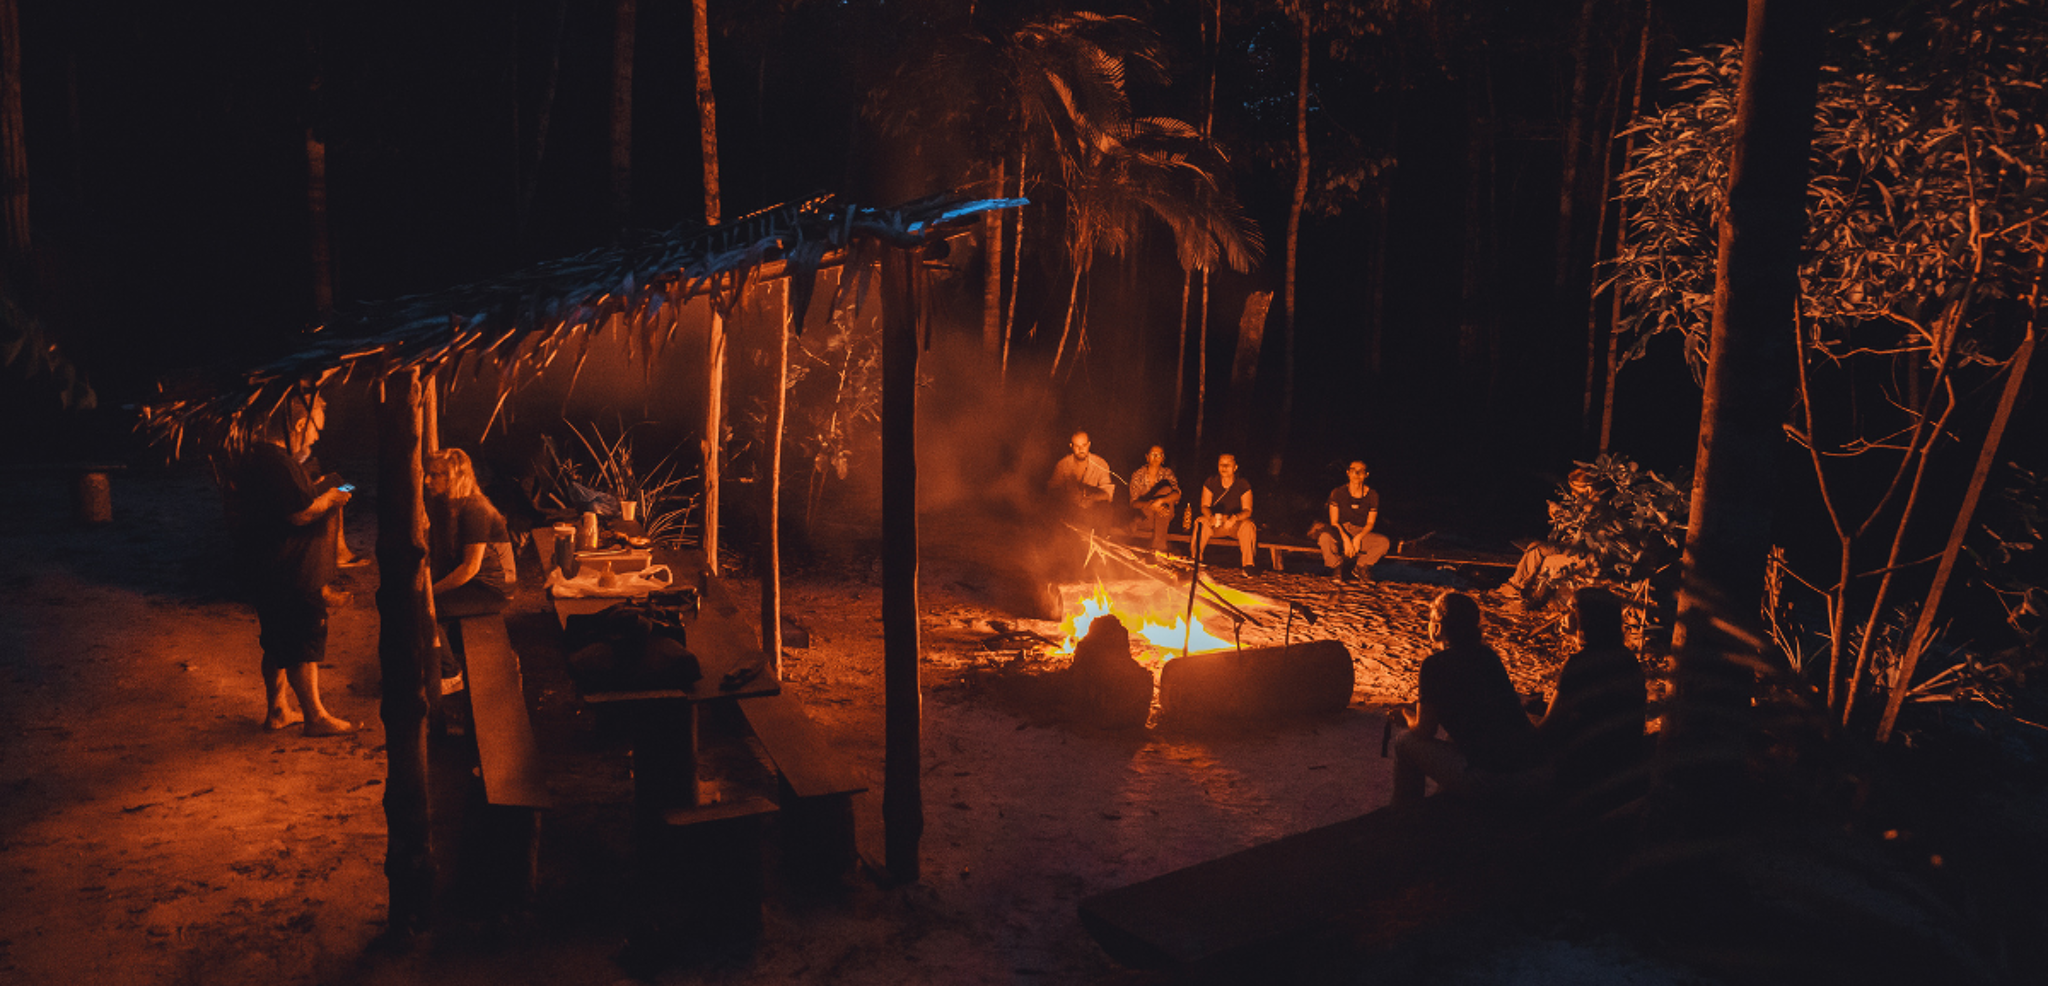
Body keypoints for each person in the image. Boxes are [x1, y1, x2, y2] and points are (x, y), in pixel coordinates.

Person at [229, 393, 357, 736]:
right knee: (303, 642)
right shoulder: (277, 463)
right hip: (292, 571)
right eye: (315, 430)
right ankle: (316, 717)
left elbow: (287, 503)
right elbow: (298, 514)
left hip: (268, 568)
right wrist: (331, 497)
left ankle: (278, 710)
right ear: (300, 424)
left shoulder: (261, 456)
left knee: (276, 641)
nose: (316, 438)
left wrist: (323, 488)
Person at [1390, 591, 1543, 804]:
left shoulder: (1434, 665)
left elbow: (1425, 729)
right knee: (1452, 740)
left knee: (1404, 742)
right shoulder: (1488, 657)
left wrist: (1405, 714)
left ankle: (1403, 815)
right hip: (1532, 773)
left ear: (1438, 626)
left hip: (1494, 781)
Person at [1535, 587, 1648, 805]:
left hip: (1587, 768)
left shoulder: (1580, 664)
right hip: (1624, 761)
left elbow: (1550, 726)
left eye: (1571, 609)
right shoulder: (1627, 659)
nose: (1565, 615)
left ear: (1585, 618)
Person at [426, 448, 516, 690]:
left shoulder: (475, 509)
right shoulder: (449, 504)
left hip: (493, 588)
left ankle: (450, 675)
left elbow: (470, 568)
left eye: (435, 475)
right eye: (429, 474)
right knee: (419, 605)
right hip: (476, 584)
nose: (427, 480)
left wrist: (429, 592)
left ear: (455, 477)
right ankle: (432, 663)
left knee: (424, 609)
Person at [1310, 460, 1391, 581]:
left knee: (1383, 542)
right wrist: (1345, 538)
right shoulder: (1337, 492)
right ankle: (1336, 567)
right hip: (1340, 530)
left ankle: (1361, 567)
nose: (1357, 473)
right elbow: (1334, 521)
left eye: (1361, 471)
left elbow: (1370, 523)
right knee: (1325, 538)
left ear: (1366, 475)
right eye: (1353, 470)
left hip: (1360, 531)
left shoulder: (1372, 495)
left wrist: (1358, 537)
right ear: (1348, 473)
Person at [1193, 453, 1258, 571]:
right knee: (1201, 522)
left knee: (1249, 525)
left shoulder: (1243, 484)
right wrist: (1210, 516)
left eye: (1228, 464)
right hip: (1216, 524)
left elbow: (1248, 510)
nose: (1224, 467)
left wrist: (1235, 518)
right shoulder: (1211, 482)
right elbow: (1204, 506)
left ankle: (1248, 566)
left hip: (1235, 525)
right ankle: (1195, 560)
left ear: (1235, 467)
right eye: (1221, 464)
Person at [1046, 430, 1116, 532]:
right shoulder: (1063, 465)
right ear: (1071, 446)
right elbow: (1052, 489)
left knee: (1106, 509)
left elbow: (1108, 493)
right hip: (1069, 510)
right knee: (1053, 509)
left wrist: (1093, 498)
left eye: (1084, 445)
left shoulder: (1100, 464)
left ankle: (1101, 542)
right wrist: (1068, 496)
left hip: (1093, 511)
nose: (1081, 449)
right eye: (1077, 446)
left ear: (1089, 445)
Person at [1127, 445, 1182, 555]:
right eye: (1153, 454)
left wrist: (1160, 501)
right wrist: (1151, 505)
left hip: (1164, 514)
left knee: (1166, 491)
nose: (1156, 457)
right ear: (1147, 457)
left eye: (1160, 455)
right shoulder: (1138, 475)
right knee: (1162, 506)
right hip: (1145, 517)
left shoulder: (1167, 473)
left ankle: (1157, 548)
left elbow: (1177, 495)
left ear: (1163, 459)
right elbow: (1133, 503)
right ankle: (1159, 548)